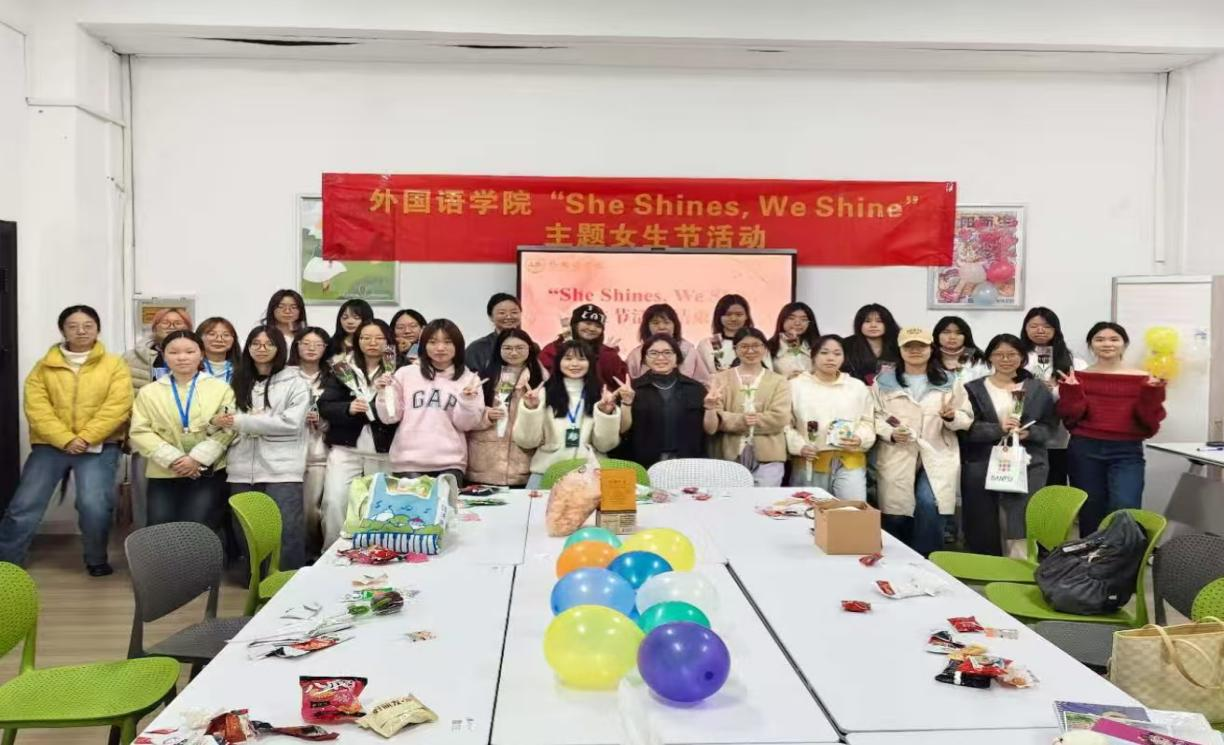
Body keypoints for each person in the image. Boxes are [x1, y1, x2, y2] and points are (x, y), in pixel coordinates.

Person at [0, 305, 132, 576]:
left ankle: (96, 559)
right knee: (25, 504)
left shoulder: (114, 364)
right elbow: (36, 408)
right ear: (62, 330)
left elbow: (118, 405)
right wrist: (65, 439)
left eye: (88, 325)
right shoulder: (44, 366)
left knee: (94, 505)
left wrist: (85, 437)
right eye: (73, 326)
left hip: (99, 444)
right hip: (51, 444)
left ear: (98, 329)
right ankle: (8, 562)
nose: (81, 331)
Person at [212, 326, 311, 570]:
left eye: (269, 344)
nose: (262, 349)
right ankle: (255, 581)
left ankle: (288, 581)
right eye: (255, 343)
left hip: (282, 469)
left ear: (280, 348)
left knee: (287, 529)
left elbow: (291, 423)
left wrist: (242, 421)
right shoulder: (236, 380)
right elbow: (221, 417)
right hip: (241, 467)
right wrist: (228, 421)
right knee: (246, 530)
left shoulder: (296, 382)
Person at [1057, 322, 1166, 535]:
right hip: (1085, 449)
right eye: (1099, 339)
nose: (1107, 344)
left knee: (1126, 506)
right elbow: (1070, 419)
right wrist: (1071, 391)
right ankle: (1090, 553)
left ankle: (1121, 554)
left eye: (1114, 339)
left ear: (1125, 344)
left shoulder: (1144, 378)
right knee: (1090, 509)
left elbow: (1150, 425)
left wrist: (1151, 392)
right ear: (1091, 345)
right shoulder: (1077, 377)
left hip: (1127, 451)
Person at [873, 327, 973, 557]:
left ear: (931, 349)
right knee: (896, 512)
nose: (915, 350)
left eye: (921, 345)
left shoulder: (949, 381)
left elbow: (966, 417)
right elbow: (874, 416)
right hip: (898, 451)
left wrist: (952, 417)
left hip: (937, 451)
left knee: (929, 504)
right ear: (900, 350)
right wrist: (890, 433)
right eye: (909, 346)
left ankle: (928, 560)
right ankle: (894, 560)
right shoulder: (884, 382)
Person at [960, 334, 1058, 557]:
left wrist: (1029, 433)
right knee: (985, 519)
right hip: (984, 462)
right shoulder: (973, 389)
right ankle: (987, 565)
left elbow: (1050, 427)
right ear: (989, 357)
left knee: (1022, 516)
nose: (1006, 359)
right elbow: (965, 429)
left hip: (1029, 462)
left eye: (1012, 354)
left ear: (1022, 357)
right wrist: (997, 429)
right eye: (999, 354)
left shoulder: (1037, 389)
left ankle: (1021, 564)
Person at [129, 330, 236, 529]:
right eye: (174, 352)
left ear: (201, 354)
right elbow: (140, 431)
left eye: (189, 351)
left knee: (199, 525)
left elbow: (228, 428)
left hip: (206, 470)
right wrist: (174, 459)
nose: (182, 357)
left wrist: (196, 459)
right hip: (164, 469)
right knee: (161, 524)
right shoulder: (149, 392)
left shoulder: (220, 388)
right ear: (164, 356)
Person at [317, 319, 396, 547]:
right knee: (335, 501)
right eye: (365, 337)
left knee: (381, 506)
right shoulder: (342, 368)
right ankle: (332, 551)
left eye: (379, 338)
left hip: (385, 451)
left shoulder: (399, 369)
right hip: (346, 449)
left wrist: (381, 397)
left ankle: (380, 551)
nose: (372, 342)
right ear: (357, 340)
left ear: (388, 341)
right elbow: (325, 405)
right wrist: (348, 408)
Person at [376, 319, 485, 483]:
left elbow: (466, 424)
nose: (440, 348)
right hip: (408, 462)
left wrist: (467, 401)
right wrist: (384, 393)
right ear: (423, 345)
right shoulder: (405, 374)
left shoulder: (469, 379)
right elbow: (390, 417)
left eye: (447, 342)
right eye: (433, 342)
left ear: (458, 346)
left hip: (450, 463)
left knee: (446, 501)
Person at [514, 340, 622, 488]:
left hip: (590, 474)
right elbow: (527, 442)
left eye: (581, 359)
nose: (574, 364)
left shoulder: (602, 397)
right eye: (568, 358)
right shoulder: (541, 395)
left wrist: (605, 413)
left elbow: (605, 446)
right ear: (558, 362)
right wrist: (530, 409)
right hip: (546, 472)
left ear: (590, 363)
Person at [784, 334, 876, 498]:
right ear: (813, 356)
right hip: (810, 460)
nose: (830, 358)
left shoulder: (856, 387)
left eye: (837, 353)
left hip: (850, 460)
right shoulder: (795, 386)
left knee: (851, 509)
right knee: (810, 508)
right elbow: (785, 424)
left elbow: (867, 421)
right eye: (824, 352)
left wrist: (860, 438)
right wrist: (799, 446)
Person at [703, 328, 792, 486]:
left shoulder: (779, 381)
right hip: (727, 455)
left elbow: (780, 417)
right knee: (729, 499)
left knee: (764, 500)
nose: (750, 351)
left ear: (765, 348)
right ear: (735, 349)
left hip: (769, 456)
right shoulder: (719, 379)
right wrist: (742, 420)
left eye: (756, 345)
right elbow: (715, 420)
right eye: (744, 346)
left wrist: (734, 420)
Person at [466, 328, 545, 486]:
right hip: (484, 464)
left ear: (530, 348)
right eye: (507, 348)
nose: (513, 353)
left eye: (519, 348)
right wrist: (486, 415)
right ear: (498, 349)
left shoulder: (539, 379)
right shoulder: (483, 377)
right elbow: (466, 417)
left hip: (522, 464)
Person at [1019, 307, 1087, 490]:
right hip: (1023, 434)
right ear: (1025, 328)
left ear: (1056, 329)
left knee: (1053, 487)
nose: (1040, 330)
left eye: (1047, 326)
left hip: (1059, 438)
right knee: (1024, 490)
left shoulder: (1074, 362)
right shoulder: (1015, 357)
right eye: (1034, 326)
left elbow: (1080, 399)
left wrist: (1056, 389)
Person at [618, 334, 706, 468]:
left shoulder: (695, 388)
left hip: (688, 461)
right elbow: (623, 429)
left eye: (667, 353)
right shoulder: (632, 389)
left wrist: (711, 408)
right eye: (653, 353)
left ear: (677, 358)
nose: (660, 358)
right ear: (645, 359)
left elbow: (709, 430)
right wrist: (626, 403)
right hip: (644, 462)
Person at [289, 326, 332, 557]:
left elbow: (340, 415)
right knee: (292, 509)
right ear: (296, 346)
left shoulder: (334, 377)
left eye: (318, 344)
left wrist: (321, 421)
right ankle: (297, 556)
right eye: (306, 343)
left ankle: (315, 553)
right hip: (288, 453)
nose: (311, 348)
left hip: (319, 452)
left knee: (314, 510)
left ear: (326, 348)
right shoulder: (285, 375)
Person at [538, 303, 630, 386]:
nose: (592, 328)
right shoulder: (554, 349)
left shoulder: (606, 353)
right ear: (575, 325)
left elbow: (621, 384)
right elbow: (543, 380)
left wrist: (607, 356)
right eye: (587, 323)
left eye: (598, 326)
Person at [624, 303, 709, 383]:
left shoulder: (689, 351)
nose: (661, 327)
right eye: (655, 323)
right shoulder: (636, 355)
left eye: (667, 322)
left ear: (675, 325)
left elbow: (704, 383)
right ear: (647, 327)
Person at [125, 306, 192, 392]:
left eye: (178, 323)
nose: (171, 327)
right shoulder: (131, 357)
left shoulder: (199, 357)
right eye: (165, 322)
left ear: (188, 329)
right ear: (155, 328)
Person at [696, 294, 765, 374]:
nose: (733, 319)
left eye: (739, 314)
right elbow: (699, 376)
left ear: (746, 316)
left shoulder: (758, 343)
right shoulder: (706, 345)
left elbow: (768, 373)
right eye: (728, 314)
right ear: (719, 316)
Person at [843, 303, 900, 385]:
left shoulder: (898, 344)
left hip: (891, 390)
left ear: (887, 323)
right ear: (859, 324)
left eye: (879, 321)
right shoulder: (846, 345)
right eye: (867, 321)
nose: (873, 325)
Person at [466, 293, 521, 373]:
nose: (509, 316)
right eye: (502, 313)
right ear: (491, 317)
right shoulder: (477, 348)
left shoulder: (531, 346)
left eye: (514, 312)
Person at [768, 302, 821, 380]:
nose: (797, 323)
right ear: (782, 320)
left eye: (803, 319)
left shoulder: (819, 346)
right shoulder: (770, 347)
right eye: (791, 318)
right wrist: (786, 379)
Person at [933, 315, 988, 384]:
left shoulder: (980, 361)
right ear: (937, 335)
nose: (952, 337)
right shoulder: (928, 358)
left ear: (966, 336)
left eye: (958, 333)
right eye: (946, 332)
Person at [197, 317, 240, 384]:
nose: (219, 340)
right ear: (199, 337)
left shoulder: (242, 369)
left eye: (226, 335)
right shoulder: (191, 368)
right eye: (212, 334)